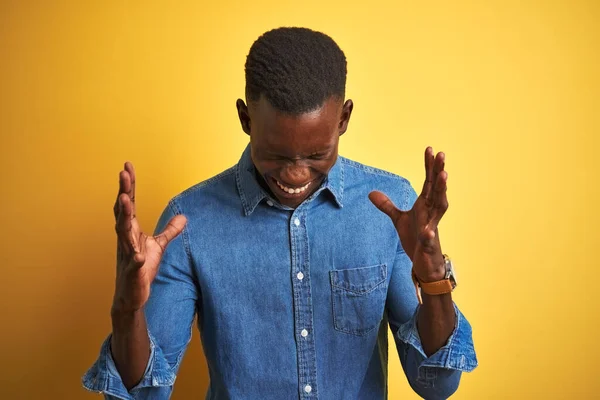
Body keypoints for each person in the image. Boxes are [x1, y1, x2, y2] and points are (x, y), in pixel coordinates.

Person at [83, 27, 477, 400]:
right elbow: (142, 396)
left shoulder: (389, 209)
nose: (295, 174)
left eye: (316, 154)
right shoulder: (188, 223)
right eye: (276, 155)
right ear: (245, 119)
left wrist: (432, 276)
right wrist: (126, 308)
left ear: (344, 120)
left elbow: (437, 384)